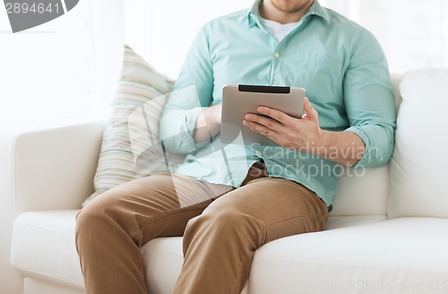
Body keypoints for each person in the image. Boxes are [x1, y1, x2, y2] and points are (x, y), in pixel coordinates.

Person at [75, 0, 396, 293]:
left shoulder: (354, 41)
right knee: (100, 215)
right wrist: (214, 114)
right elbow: (170, 128)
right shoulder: (215, 34)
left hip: (292, 183)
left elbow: (379, 136)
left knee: (222, 219)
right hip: (206, 174)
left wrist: (318, 140)